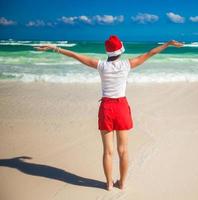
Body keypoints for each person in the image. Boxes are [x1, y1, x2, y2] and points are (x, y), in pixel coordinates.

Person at [35, 35, 183, 190]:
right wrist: (168, 44)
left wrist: (54, 48)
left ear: (108, 51)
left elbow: (75, 55)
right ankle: (123, 183)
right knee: (123, 150)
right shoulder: (127, 64)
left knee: (108, 151)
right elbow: (150, 53)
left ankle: (109, 184)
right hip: (121, 107)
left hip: (106, 108)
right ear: (120, 50)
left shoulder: (101, 66)